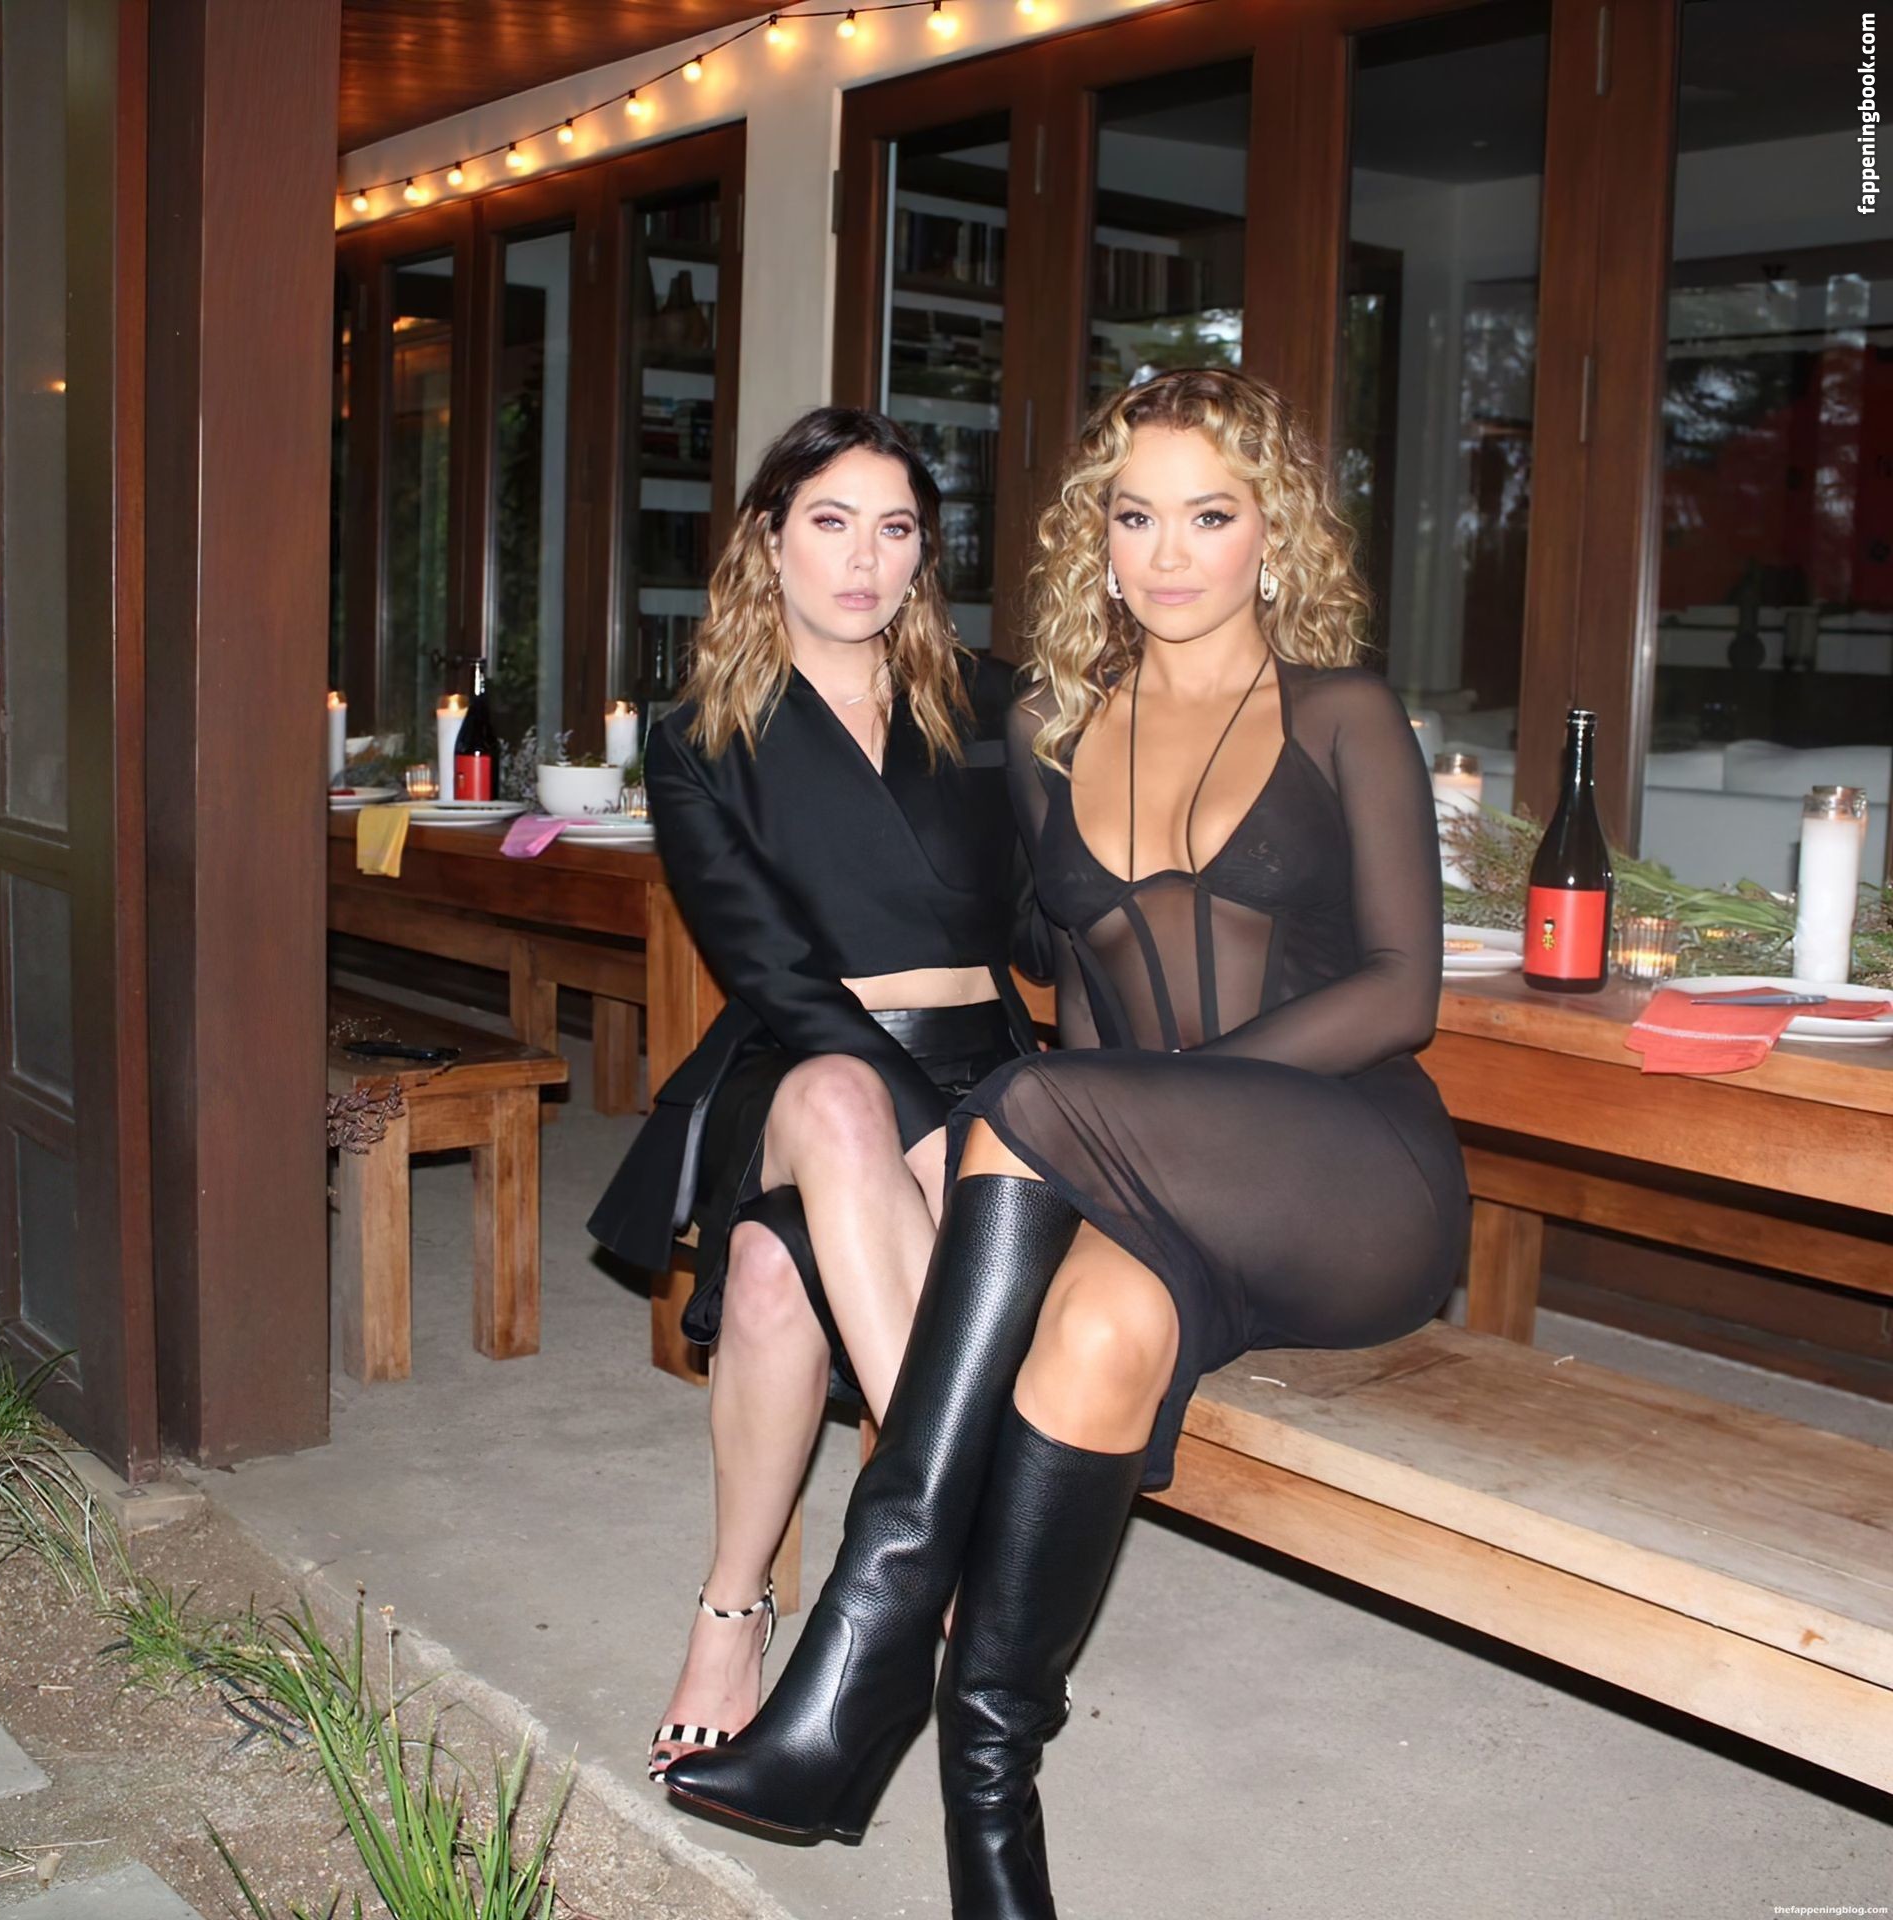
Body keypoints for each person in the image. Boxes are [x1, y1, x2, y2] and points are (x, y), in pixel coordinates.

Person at [664, 368, 1471, 1919]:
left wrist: (1162, 1109)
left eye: (1210, 516)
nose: (1170, 555)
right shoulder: (1046, 728)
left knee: (1026, 1104)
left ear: (1275, 534)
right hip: (1153, 1182)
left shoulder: (1345, 713)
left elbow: (1401, 993)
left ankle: (866, 1636)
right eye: (1135, 516)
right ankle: (991, 1833)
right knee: (1088, 1333)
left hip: (1348, 1177)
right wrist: (1111, 1135)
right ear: (1096, 538)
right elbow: (1072, 990)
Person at [585, 407, 1040, 1782]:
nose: (862, 559)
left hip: (987, 1059)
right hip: (797, 1062)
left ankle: (731, 1615)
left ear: (923, 554)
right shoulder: (701, 735)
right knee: (844, 1102)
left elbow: (1058, 910)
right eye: (830, 523)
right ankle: (943, 1539)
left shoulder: (992, 701)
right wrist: (925, 1130)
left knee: (774, 1278)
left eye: (894, 529)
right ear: (770, 541)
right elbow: (772, 971)